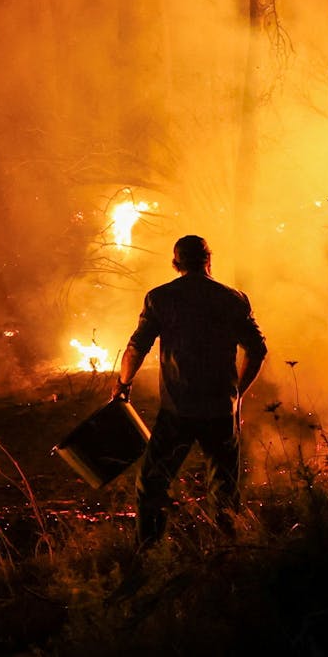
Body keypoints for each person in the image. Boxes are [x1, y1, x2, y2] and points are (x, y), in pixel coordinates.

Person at [112, 234, 268, 551]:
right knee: (224, 488)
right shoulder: (233, 299)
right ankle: (226, 556)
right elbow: (257, 349)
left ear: (176, 263)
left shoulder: (160, 298)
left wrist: (123, 384)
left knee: (153, 483)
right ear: (209, 260)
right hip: (219, 412)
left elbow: (136, 347)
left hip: (177, 412)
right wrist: (238, 392)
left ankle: (149, 554)